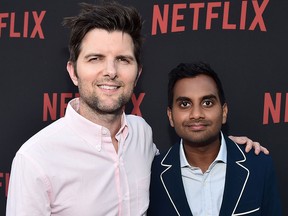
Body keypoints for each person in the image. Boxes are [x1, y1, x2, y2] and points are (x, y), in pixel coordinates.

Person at [6, 2, 268, 216]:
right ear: (73, 72)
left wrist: (222, 145)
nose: (110, 71)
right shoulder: (36, 160)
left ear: (137, 72)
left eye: (123, 59)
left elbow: (177, 160)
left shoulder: (141, 134)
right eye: (95, 58)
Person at [147, 62, 282, 216]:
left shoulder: (258, 166)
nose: (196, 114)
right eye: (184, 104)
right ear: (170, 116)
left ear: (223, 112)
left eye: (207, 103)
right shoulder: (152, 174)